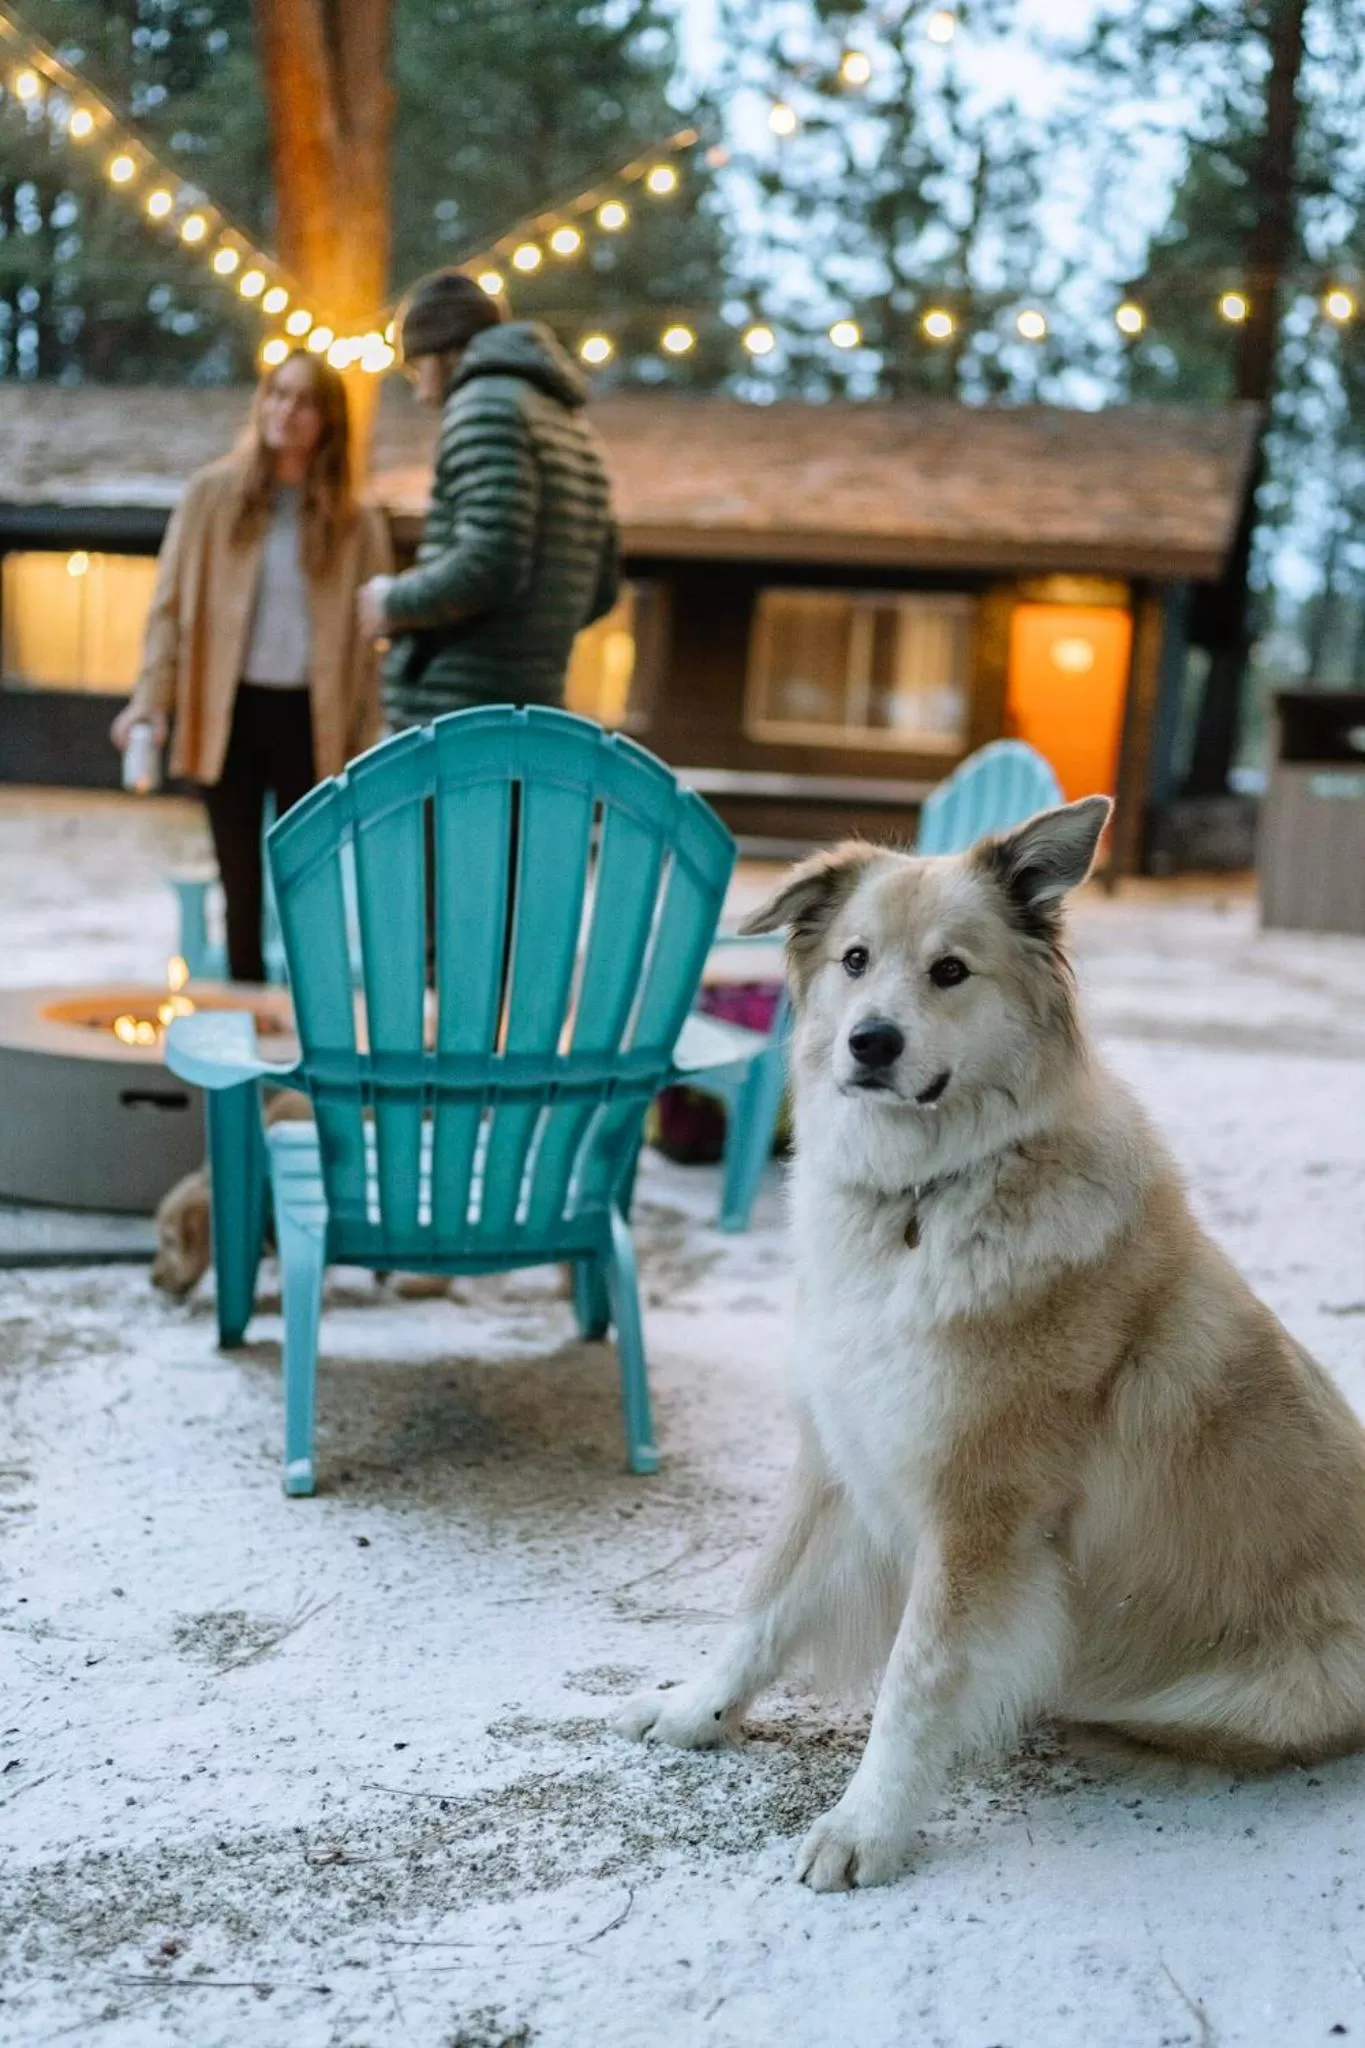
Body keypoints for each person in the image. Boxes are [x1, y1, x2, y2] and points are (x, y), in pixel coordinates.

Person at [112, 349, 391, 983]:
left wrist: (373, 731)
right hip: (229, 709)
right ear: (261, 402)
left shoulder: (356, 520)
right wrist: (149, 701)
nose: (287, 412)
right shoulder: (211, 496)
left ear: (329, 421)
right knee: (239, 877)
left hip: (311, 717)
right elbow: (168, 609)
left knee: (307, 876)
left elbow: (376, 642)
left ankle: (309, 1014)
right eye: (278, 394)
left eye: (305, 402)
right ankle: (245, 1010)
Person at [357, 270, 620, 725]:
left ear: (446, 351)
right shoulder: (573, 424)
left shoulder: (484, 406)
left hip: (458, 714)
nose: (420, 394)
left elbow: (490, 560)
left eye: (417, 367)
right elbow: (603, 586)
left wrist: (392, 601)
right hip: (533, 706)